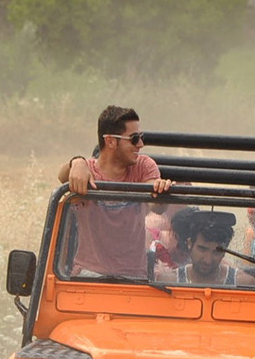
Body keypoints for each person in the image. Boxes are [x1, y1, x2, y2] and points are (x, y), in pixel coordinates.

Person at [58, 105, 172, 277]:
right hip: (89, 274)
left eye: (141, 137)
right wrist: (77, 162)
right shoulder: (85, 170)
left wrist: (160, 190)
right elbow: (62, 177)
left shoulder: (143, 166)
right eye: (134, 139)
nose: (140, 144)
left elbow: (156, 204)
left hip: (134, 276)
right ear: (110, 141)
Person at [175, 211, 242, 286]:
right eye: (202, 249)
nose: (208, 260)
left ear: (225, 252)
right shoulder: (168, 283)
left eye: (217, 252)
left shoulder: (243, 284)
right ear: (190, 244)